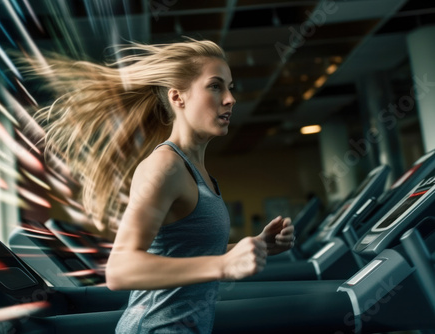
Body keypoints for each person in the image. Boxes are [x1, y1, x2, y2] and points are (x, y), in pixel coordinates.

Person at [33, 39, 295, 333]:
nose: (230, 98)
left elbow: (185, 253)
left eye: (230, 87)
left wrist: (257, 246)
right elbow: (120, 270)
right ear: (177, 97)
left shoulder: (198, 172)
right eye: (215, 86)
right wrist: (223, 265)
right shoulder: (165, 166)